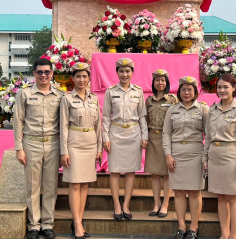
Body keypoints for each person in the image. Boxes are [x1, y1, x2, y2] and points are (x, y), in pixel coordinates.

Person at [13, 58, 64, 239]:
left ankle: (48, 224)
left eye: (47, 72)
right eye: (40, 72)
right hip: (32, 143)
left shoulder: (59, 95)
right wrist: (19, 148)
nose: (43, 75)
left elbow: (63, 123)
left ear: (52, 74)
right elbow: (18, 121)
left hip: (53, 144)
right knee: (33, 186)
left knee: (50, 186)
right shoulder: (24, 94)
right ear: (34, 74)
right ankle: (34, 225)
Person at [203, 73, 236, 239]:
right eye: (219, 87)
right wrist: (205, 158)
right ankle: (225, 233)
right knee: (221, 197)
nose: (222, 90)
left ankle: (234, 235)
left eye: (226, 87)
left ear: (234, 88)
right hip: (215, 156)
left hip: (232, 156)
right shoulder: (212, 110)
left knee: (234, 197)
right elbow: (208, 136)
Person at [102, 58, 148, 221]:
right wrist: (105, 137)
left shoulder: (138, 91)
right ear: (117, 73)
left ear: (132, 73)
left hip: (134, 133)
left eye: (128, 71)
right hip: (116, 134)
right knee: (114, 171)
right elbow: (106, 117)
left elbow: (142, 115)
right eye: (121, 71)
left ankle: (126, 204)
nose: (124, 74)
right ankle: (116, 205)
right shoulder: (111, 91)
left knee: (130, 171)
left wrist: (144, 135)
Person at [60, 63, 102, 239]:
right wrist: (64, 151)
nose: (82, 80)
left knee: (85, 184)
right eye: (78, 76)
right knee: (75, 184)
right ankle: (77, 223)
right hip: (74, 144)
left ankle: (79, 219)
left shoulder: (94, 99)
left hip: (90, 144)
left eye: (85, 76)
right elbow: (63, 126)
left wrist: (99, 148)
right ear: (73, 79)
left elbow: (99, 125)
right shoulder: (67, 99)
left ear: (88, 78)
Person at [163, 76, 208, 239]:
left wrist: (205, 157)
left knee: (195, 192)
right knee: (179, 192)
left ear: (195, 91)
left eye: (190, 89)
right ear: (179, 91)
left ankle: (194, 228)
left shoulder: (203, 109)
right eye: (183, 89)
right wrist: (168, 154)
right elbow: (166, 133)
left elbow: (208, 134)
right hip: (176, 154)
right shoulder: (172, 110)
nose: (186, 92)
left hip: (195, 153)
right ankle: (181, 226)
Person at [145, 69, 177, 218]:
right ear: (153, 83)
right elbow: (145, 121)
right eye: (157, 80)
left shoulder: (172, 100)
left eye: (163, 80)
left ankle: (165, 204)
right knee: (154, 174)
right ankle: (156, 203)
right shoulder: (149, 101)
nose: (160, 83)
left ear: (167, 83)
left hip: (167, 139)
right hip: (152, 138)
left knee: (167, 174)